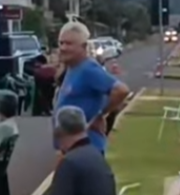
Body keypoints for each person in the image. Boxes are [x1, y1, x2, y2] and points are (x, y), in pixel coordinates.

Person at [54, 22, 128, 151]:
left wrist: (100, 115)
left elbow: (121, 90)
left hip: (86, 148)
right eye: (61, 43)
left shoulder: (88, 69)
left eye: (69, 44)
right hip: (70, 149)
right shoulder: (72, 67)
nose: (63, 48)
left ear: (83, 47)